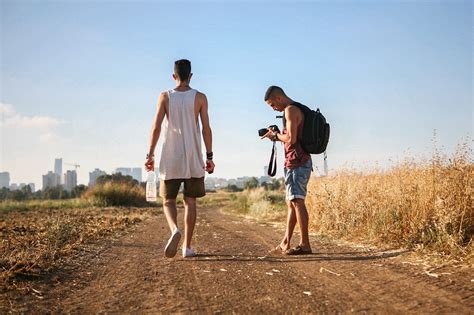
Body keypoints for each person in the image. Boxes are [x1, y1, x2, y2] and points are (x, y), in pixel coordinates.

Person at [145, 59, 215, 258]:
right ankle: (187, 247)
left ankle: (174, 229)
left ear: (174, 76)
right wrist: (209, 156)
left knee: (167, 200)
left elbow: (156, 127)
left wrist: (150, 154)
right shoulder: (200, 97)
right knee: (190, 201)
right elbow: (206, 129)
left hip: (170, 155)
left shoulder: (165, 96)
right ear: (190, 76)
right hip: (193, 156)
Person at [261, 86, 312, 255]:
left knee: (297, 201)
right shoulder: (292, 110)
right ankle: (286, 241)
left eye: (272, 105)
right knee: (292, 203)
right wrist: (277, 133)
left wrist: (274, 136)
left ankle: (305, 245)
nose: (273, 108)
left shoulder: (290, 110)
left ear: (279, 98)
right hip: (293, 162)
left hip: (298, 162)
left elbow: (291, 138)